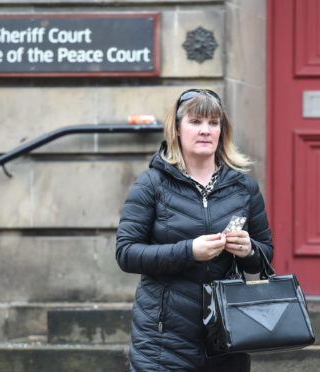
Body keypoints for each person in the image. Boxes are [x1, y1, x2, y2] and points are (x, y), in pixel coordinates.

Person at [116, 89, 274, 372]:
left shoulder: (244, 188)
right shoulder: (152, 184)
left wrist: (248, 250)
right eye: (196, 122)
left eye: (213, 123)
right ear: (176, 129)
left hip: (228, 337)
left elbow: (265, 253)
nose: (206, 131)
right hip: (162, 342)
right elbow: (126, 253)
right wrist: (189, 251)